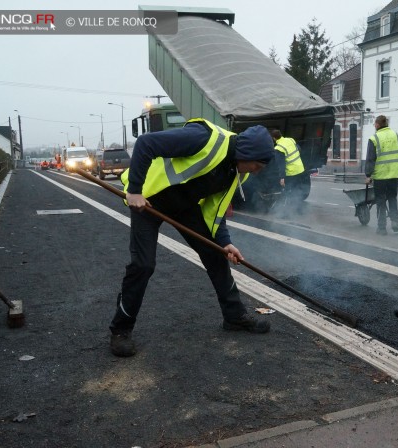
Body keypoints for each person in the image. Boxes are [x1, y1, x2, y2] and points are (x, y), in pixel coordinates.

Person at [109, 118, 275, 357]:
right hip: (148, 200)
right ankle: (120, 329)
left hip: (184, 206)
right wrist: (134, 190)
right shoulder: (204, 139)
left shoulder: (236, 172)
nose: (257, 171)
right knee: (143, 265)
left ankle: (235, 317)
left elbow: (215, 211)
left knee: (216, 255)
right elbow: (146, 144)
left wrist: (225, 242)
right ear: (247, 153)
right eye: (258, 165)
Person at [364, 115, 398, 235]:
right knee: (392, 198)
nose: (374, 126)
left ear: (377, 125)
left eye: (374, 124)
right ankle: (395, 221)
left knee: (381, 200)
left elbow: (370, 159)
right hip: (394, 175)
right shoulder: (396, 136)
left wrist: (368, 175)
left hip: (380, 176)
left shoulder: (374, 138)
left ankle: (382, 228)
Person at [271, 129, 306, 216]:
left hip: (291, 173)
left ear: (274, 138)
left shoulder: (279, 148)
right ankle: (299, 210)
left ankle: (285, 213)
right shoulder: (290, 139)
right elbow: (299, 149)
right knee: (297, 190)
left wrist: (282, 177)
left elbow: (281, 164)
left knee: (287, 192)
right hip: (300, 169)